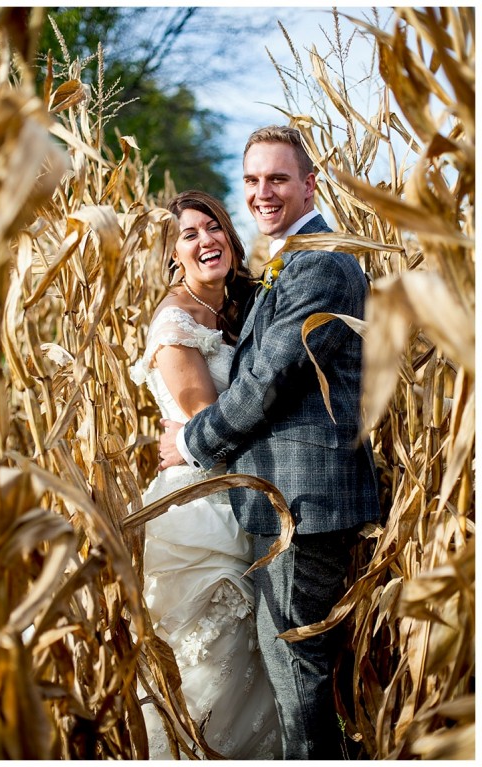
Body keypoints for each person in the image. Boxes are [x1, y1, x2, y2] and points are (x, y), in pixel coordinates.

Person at [159, 126, 381, 759]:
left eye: (278, 179)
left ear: (309, 183)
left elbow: (269, 380)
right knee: (293, 671)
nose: (263, 192)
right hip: (280, 500)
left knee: (295, 673)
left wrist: (194, 442)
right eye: (253, 180)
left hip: (303, 505)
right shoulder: (285, 262)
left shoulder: (322, 264)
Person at [130, 190, 280, 759]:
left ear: (230, 236)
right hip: (198, 507)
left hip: (245, 494)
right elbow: (204, 421)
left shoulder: (239, 306)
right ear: (173, 254)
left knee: (256, 662)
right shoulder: (176, 323)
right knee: (212, 663)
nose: (204, 240)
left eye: (211, 227)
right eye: (188, 235)